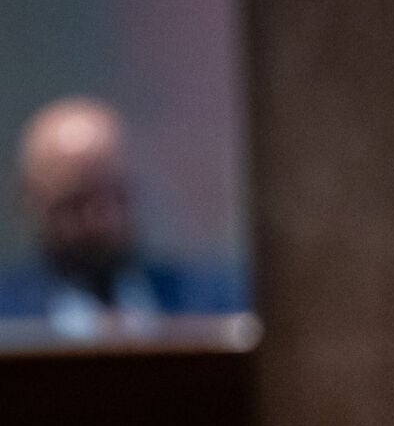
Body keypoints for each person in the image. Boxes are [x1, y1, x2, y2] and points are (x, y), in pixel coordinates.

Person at [0, 97, 246, 333]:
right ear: (31, 201)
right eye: (74, 203)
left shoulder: (215, 306)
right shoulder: (8, 316)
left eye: (114, 196)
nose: (98, 221)